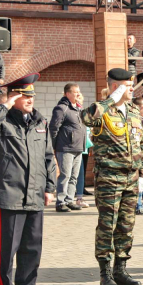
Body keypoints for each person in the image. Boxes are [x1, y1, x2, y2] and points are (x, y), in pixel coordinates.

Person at [0, 73, 57, 285]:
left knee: (32, 247)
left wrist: (49, 187)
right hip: (10, 194)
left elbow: (49, 157)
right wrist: (4, 105)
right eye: (23, 96)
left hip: (35, 194)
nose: (30, 100)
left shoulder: (40, 122)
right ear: (12, 97)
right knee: (8, 248)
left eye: (31, 95)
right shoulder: (2, 121)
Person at [81, 68, 143, 285]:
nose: (132, 89)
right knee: (108, 226)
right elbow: (86, 118)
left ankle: (121, 269)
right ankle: (105, 272)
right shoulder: (103, 111)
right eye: (128, 86)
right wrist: (110, 100)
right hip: (109, 178)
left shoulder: (134, 111)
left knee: (126, 226)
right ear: (116, 87)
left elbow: (141, 142)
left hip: (131, 178)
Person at [50, 83, 86, 212]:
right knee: (65, 175)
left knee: (74, 176)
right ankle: (60, 202)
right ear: (67, 94)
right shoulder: (61, 108)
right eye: (75, 92)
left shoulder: (79, 109)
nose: (78, 94)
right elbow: (54, 128)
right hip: (65, 147)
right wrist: (54, 146)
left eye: (78, 91)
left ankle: (69, 200)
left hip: (78, 148)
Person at [74, 92, 93, 207]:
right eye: (78, 98)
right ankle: (77, 192)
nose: (80, 101)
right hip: (76, 145)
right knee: (76, 171)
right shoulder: (73, 111)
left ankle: (82, 188)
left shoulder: (83, 112)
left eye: (81, 99)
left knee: (83, 170)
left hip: (85, 145)